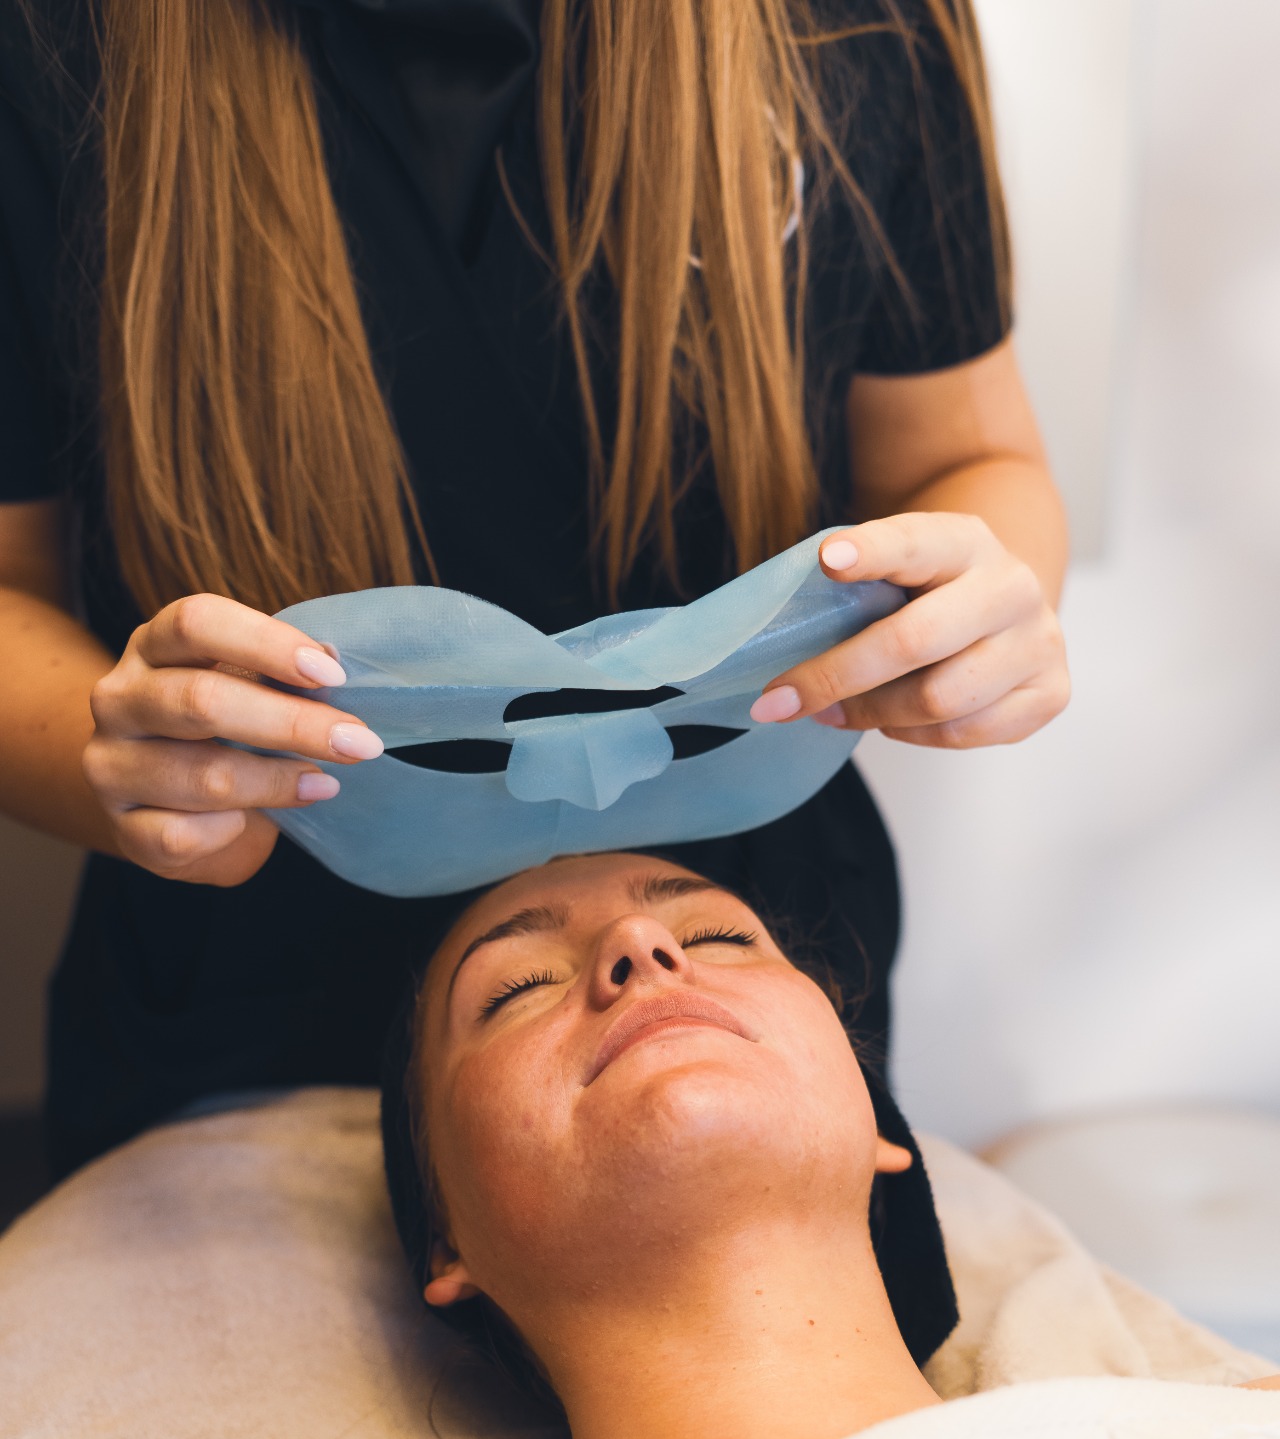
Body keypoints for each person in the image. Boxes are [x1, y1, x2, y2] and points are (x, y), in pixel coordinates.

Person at [0, 0, 1069, 1180]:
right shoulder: (51, 45)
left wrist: (983, 613)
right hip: (245, 991)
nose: (636, 958)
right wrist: (131, 771)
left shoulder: (848, 29)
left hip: (770, 928)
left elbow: (963, 457)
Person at [131, 850, 1280, 1439]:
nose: (638, 948)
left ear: (882, 1129)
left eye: (721, 936)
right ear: (448, 1237)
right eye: (515, 989)